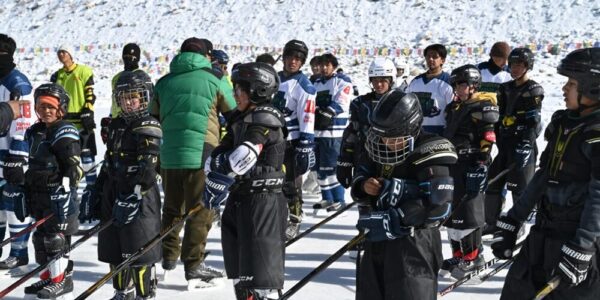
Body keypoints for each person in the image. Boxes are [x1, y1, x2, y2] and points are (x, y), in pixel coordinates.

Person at [491, 47, 600, 300]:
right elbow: (544, 175)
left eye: (571, 84)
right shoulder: (565, 123)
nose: (564, 89)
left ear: (593, 87)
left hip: (581, 246)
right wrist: (513, 219)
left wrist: (582, 247)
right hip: (544, 235)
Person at [351, 89, 457, 300]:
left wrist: (398, 215)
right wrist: (364, 185)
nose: (386, 142)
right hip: (377, 240)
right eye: (381, 135)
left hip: (414, 244)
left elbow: (439, 206)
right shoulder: (378, 145)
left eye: (392, 136)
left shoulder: (430, 149)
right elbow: (362, 171)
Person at [150, 37, 236, 285]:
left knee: (172, 209)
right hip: (202, 154)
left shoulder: (164, 82)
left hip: (169, 156)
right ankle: (194, 264)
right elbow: (233, 114)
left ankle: (167, 257)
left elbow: (152, 119)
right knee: (200, 209)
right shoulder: (215, 79)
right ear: (206, 56)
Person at [204, 62, 287, 300]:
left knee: (262, 278)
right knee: (242, 275)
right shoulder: (241, 120)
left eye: (240, 89)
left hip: (264, 203)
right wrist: (216, 174)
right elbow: (214, 158)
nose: (234, 94)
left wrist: (222, 172)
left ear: (258, 90)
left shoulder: (264, 119)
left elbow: (244, 156)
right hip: (241, 200)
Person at [81, 71, 161, 300]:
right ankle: (121, 292)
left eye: (133, 97)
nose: (128, 102)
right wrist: (96, 189)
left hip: (139, 196)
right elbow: (109, 160)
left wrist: (135, 194)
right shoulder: (116, 125)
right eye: (123, 98)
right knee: (114, 249)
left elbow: (148, 166)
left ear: (145, 98)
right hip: (114, 191)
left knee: (139, 250)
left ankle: (144, 294)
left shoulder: (148, 124)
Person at [12, 83, 83, 299]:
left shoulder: (65, 130)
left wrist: (64, 188)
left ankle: (60, 281)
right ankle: (46, 278)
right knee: (40, 239)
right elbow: (30, 163)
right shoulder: (35, 131)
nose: (46, 110)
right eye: (41, 106)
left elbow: (74, 167)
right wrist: (22, 188)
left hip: (58, 197)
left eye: (51, 106)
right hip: (38, 195)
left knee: (55, 239)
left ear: (61, 107)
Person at [440, 65, 499, 278]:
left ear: (473, 85)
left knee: (469, 213)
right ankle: (458, 254)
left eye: (463, 84)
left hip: (471, 164)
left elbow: (488, 137)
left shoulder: (483, 105)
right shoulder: (455, 107)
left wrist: (481, 163)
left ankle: (474, 257)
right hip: (453, 164)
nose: (459, 88)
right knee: (453, 213)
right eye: (456, 84)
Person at [483, 47, 544, 236]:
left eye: (519, 65)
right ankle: (491, 223)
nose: (515, 68)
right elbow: (499, 116)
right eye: (512, 64)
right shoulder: (504, 88)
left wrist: (526, 145)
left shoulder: (533, 90)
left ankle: (518, 227)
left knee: (520, 189)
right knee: (492, 186)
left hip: (523, 148)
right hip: (505, 146)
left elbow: (534, 122)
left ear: (528, 66)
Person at [271, 39, 316, 240]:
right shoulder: (274, 78)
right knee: (270, 179)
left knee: (290, 182)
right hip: (271, 138)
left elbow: (307, 116)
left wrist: (305, 144)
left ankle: (295, 217)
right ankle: (274, 214)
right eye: (290, 57)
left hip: (291, 140)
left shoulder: (304, 85)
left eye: (298, 59)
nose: (293, 62)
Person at [0, 33, 35, 270]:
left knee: (13, 204)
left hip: (10, 154)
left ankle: (19, 252)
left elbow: (24, 121)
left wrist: (18, 155)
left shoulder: (18, 83)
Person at [336, 57, 396, 190]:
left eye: (383, 80)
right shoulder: (360, 104)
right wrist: (344, 160)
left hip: (394, 160)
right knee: (365, 199)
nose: (379, 84)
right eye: (375, 80)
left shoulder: (401, 102)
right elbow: (352, 132)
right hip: (364, 158)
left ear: (391, 80)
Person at [50, 45, 98, 190]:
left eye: (64, 52)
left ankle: (92, 190)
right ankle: (71, 191)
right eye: (59, 52)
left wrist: (88, 110)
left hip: (83, 122)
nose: (61, 55)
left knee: (87, 159)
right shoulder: (56, 76)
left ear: (71, 54)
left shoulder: (84, 71)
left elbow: (90, 94)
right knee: (68, 160)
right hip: (64, 124)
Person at [312, 53, 352, 212]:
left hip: (334, 133)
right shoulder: (314, 82)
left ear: (333, 66)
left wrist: (327, 113)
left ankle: (339, 199)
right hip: (317, 132)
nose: (323, 68)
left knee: (332, 168)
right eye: (321, 65)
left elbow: (342, 101)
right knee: (318, 169)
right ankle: (326, 198)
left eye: (326, 65)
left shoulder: (342, 81)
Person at [406, 43, 454, 135]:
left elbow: (453, 111)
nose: (430, 59)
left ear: (442, 60)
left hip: (440, 132)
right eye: (428, 56)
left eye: (435, 57)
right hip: (416, 132)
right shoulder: (415, 82)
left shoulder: (449, 82)